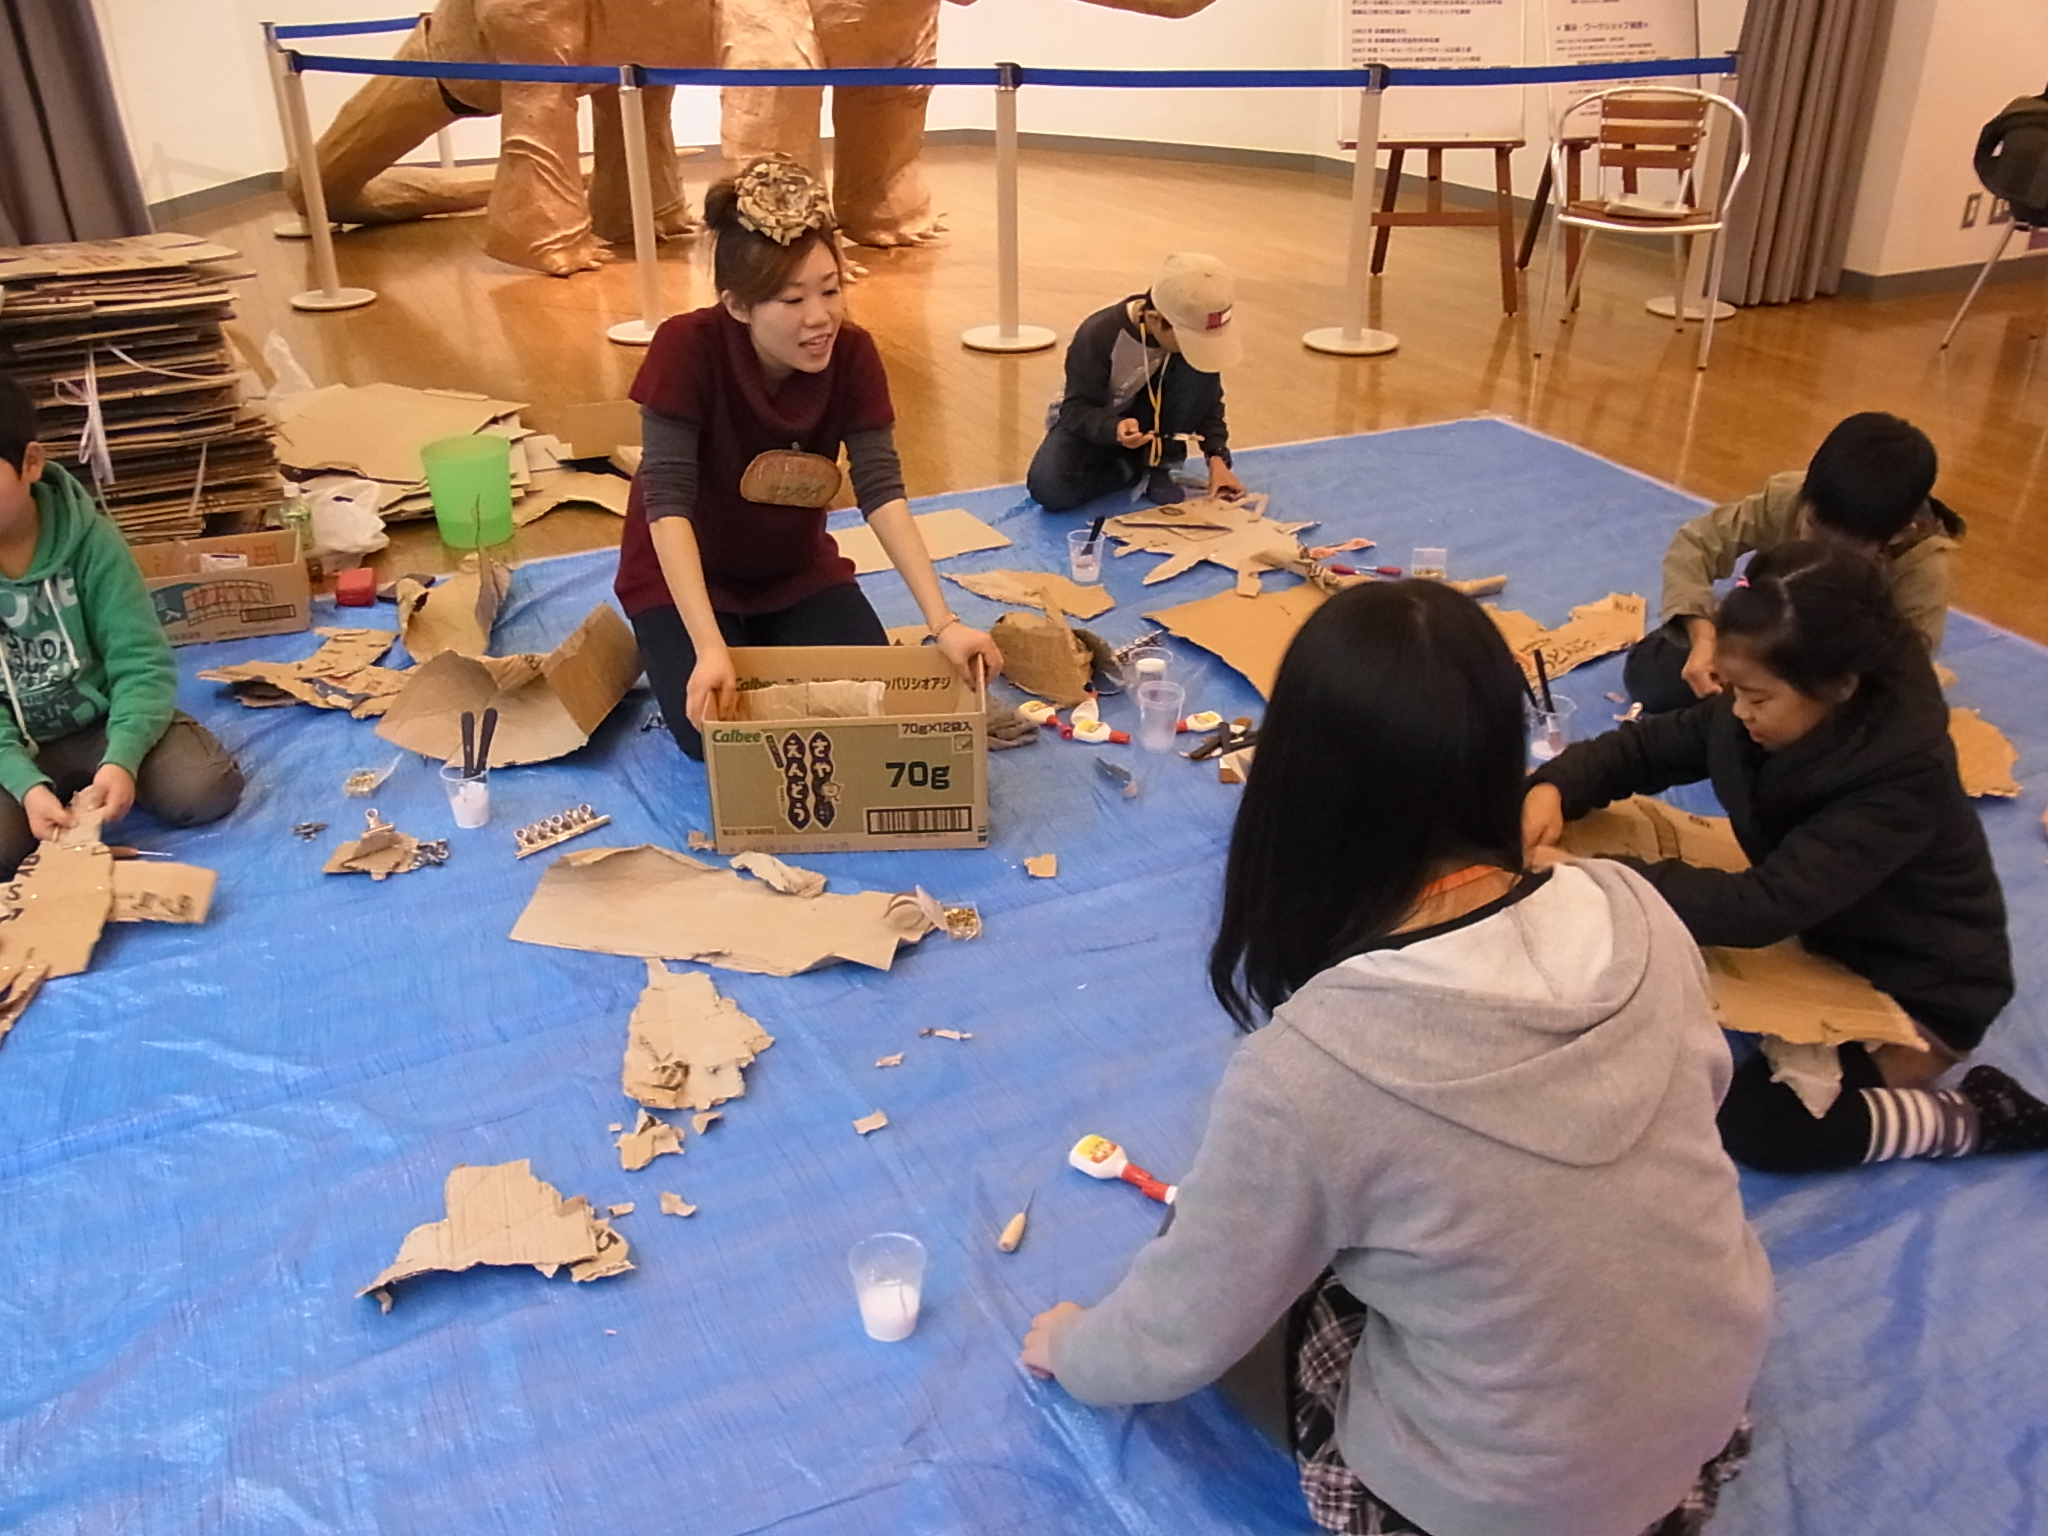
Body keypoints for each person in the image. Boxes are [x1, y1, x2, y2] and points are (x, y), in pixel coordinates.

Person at [1022, 580, 1771, 1536]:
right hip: (1700, 1433)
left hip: (1487, 1507)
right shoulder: (1636, 910)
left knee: (1228, 1265)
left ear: (1298, 783)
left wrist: (1071, 1348)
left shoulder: (1312, 1069)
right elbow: (1696, 1109)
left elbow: (1180, 1331)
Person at [1526, 541, 2048, 1172]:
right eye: (1731, 689)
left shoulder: (1900, 778)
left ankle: (1973, 1118)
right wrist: (1556, 786)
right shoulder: (1764, 706)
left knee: (1761, 1125)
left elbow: (1761, 908)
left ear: (1839, 687)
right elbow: (1650, 747)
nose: (1739, 710)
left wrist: (1593, 879)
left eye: (1757, 697)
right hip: (1824, 934)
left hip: (1918, 990)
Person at [612, 156, 1002, 760]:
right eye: (792, 299)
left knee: (871, 704)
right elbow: (666, 504)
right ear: (738, 305)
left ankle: (754, 643)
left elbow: (881, 487)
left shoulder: (853, 354)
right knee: (710, 733)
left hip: (792, 570)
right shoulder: (686, 347)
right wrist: (710, 647)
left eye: (831, 290)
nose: (820, 318)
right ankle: (679, 643)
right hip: (682, 576)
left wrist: (943, 623)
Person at [0, 374, 243, 876]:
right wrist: (26, 785)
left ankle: (123, 759)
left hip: (103, 722)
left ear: (31, 463)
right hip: (14, 742)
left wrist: (122, 758)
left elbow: (141, 662)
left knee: (204, 789)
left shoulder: (92, 543)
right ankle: (44, 795)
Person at [1625, 412, 1963, 715]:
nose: (1823, 554)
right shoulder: (1789, 499)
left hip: (1832, 672)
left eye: (1846, 553)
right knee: (1653, 678)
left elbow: (1905, 672)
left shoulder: (1921, 567)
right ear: (1805, 499)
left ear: (1898, 536)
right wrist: (1704, 637)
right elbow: (1695, 545)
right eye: (1812, 530)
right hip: (1765, 633)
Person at [1026, 252, 1246, 513]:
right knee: (1049, 488)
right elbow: (1075, 409)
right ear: (1154, 319)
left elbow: (1208, 401)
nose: (1193, 347)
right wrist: (1114, 428)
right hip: (1097, 420)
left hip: (1155, 424)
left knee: (1196, 368)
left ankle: (1158, 464)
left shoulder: (1191, 347)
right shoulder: (1099, 334)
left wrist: (1217, 457)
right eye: (1188, 339)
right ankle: (1129, 467)